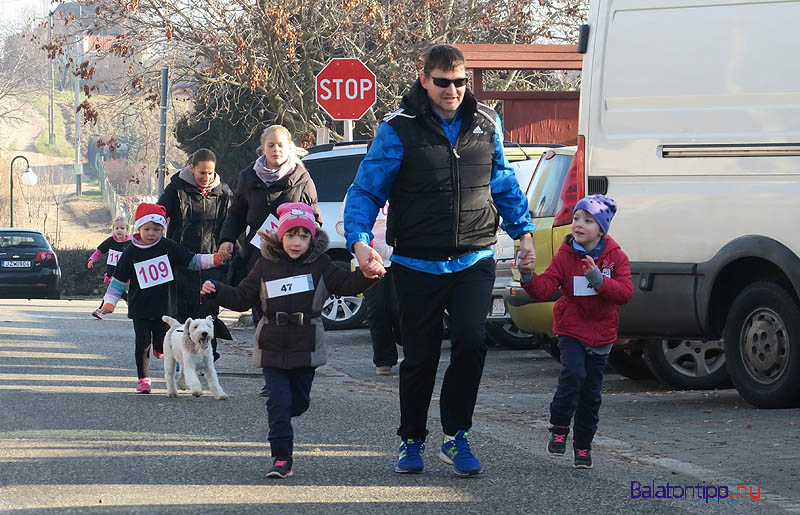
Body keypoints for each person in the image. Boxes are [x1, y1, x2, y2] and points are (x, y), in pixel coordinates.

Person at [343, 44, 536, 477]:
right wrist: (358, 240)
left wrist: (524, 233)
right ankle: (411, 439)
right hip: (416, 261)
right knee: (420, 356)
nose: (452, 90)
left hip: (474, 256)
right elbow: (367, 189)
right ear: (425, 79)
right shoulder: (397, 128)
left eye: (459, 82)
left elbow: (502, 180)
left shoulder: (486, 123)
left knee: (471, 341)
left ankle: (457, 435)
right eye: (443, 82)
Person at [200, 202, 375, 479]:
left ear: (312, 238)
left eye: (303, 236)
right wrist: (217, 291)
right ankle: (282, 458)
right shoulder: (265, 264)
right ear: (280, 235)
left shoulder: (321, 264)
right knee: (278, 402)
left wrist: (367, 275)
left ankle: (284, 420)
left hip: (306, 345)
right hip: (272, 342)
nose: (296, 242)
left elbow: (346, 285)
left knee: (298, 403)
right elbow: (242, 297)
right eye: (291, 235)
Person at [518, 194, 633, 469]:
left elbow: (625, 294)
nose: (578, 224)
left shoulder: (615, 257)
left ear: (602, 229)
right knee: (573, 374)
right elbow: (546, 287)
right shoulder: (566, 254)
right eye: (576, 218)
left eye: (588, 220)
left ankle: (583, 446)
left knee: (591, 395)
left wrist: (598, 279)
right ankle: (559, 427)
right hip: (571, 328)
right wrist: (527, 276)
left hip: (602, 334)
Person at [217, 125, 322, 396]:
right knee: (263, 315)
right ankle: (272, 372)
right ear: (262, 148)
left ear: (290, 148)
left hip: (291, 258)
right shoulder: (248, 176)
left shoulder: (301, 178)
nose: (276, 149)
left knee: (286, 312)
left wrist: (306, 243)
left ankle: (294, 369)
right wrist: (227, 239)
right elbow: (236, 215)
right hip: (257, 254)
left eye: (281, 145)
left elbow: (315, 218)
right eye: (271, 145)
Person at [93, 203, 226, 394]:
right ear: (139, 228)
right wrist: (109, 303)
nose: (151, 233)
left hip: (165, 307)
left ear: (162, 229)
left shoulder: (169, 247)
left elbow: (192, 260)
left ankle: (160, 348)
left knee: (161, 343)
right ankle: (143, 379)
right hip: (140, 306)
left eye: (156, 229)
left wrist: (216, 259)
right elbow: (118, 280)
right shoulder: (130, 251)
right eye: (147, 229)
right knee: (142, 343)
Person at [158, 148, 233, 361]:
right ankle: (183, 358)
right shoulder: (175, 190)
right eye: (202, 173)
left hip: (212, 263)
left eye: (210, 173)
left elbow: (230, 225)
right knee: (183, 314)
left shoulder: (224, 193)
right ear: (192, 168)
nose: (206, 178)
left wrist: (229, 253)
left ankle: (209, 356)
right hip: (181, 263)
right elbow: (159, 215)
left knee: (209, 312)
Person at [336, 197, 401, 375]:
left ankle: (411, 351)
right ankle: (384, 360)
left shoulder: (404, 183)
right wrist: (362, 241)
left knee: (402, 309)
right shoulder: (358, 190)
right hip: (370, 262)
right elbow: (341, 224)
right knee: (378, 310)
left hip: (402, 259)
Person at [88, 217, 131, 313]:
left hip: (124, 272)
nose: (119, 230)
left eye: (122, 228)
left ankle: (101, 310)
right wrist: (92, 259)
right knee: (112, 290)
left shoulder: (130, 244)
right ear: (113, 230)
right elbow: (99, 251)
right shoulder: (111, 241)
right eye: (117, 228)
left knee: (112, 290)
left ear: (127, 230)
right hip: (112, 271)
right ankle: (127, 300)